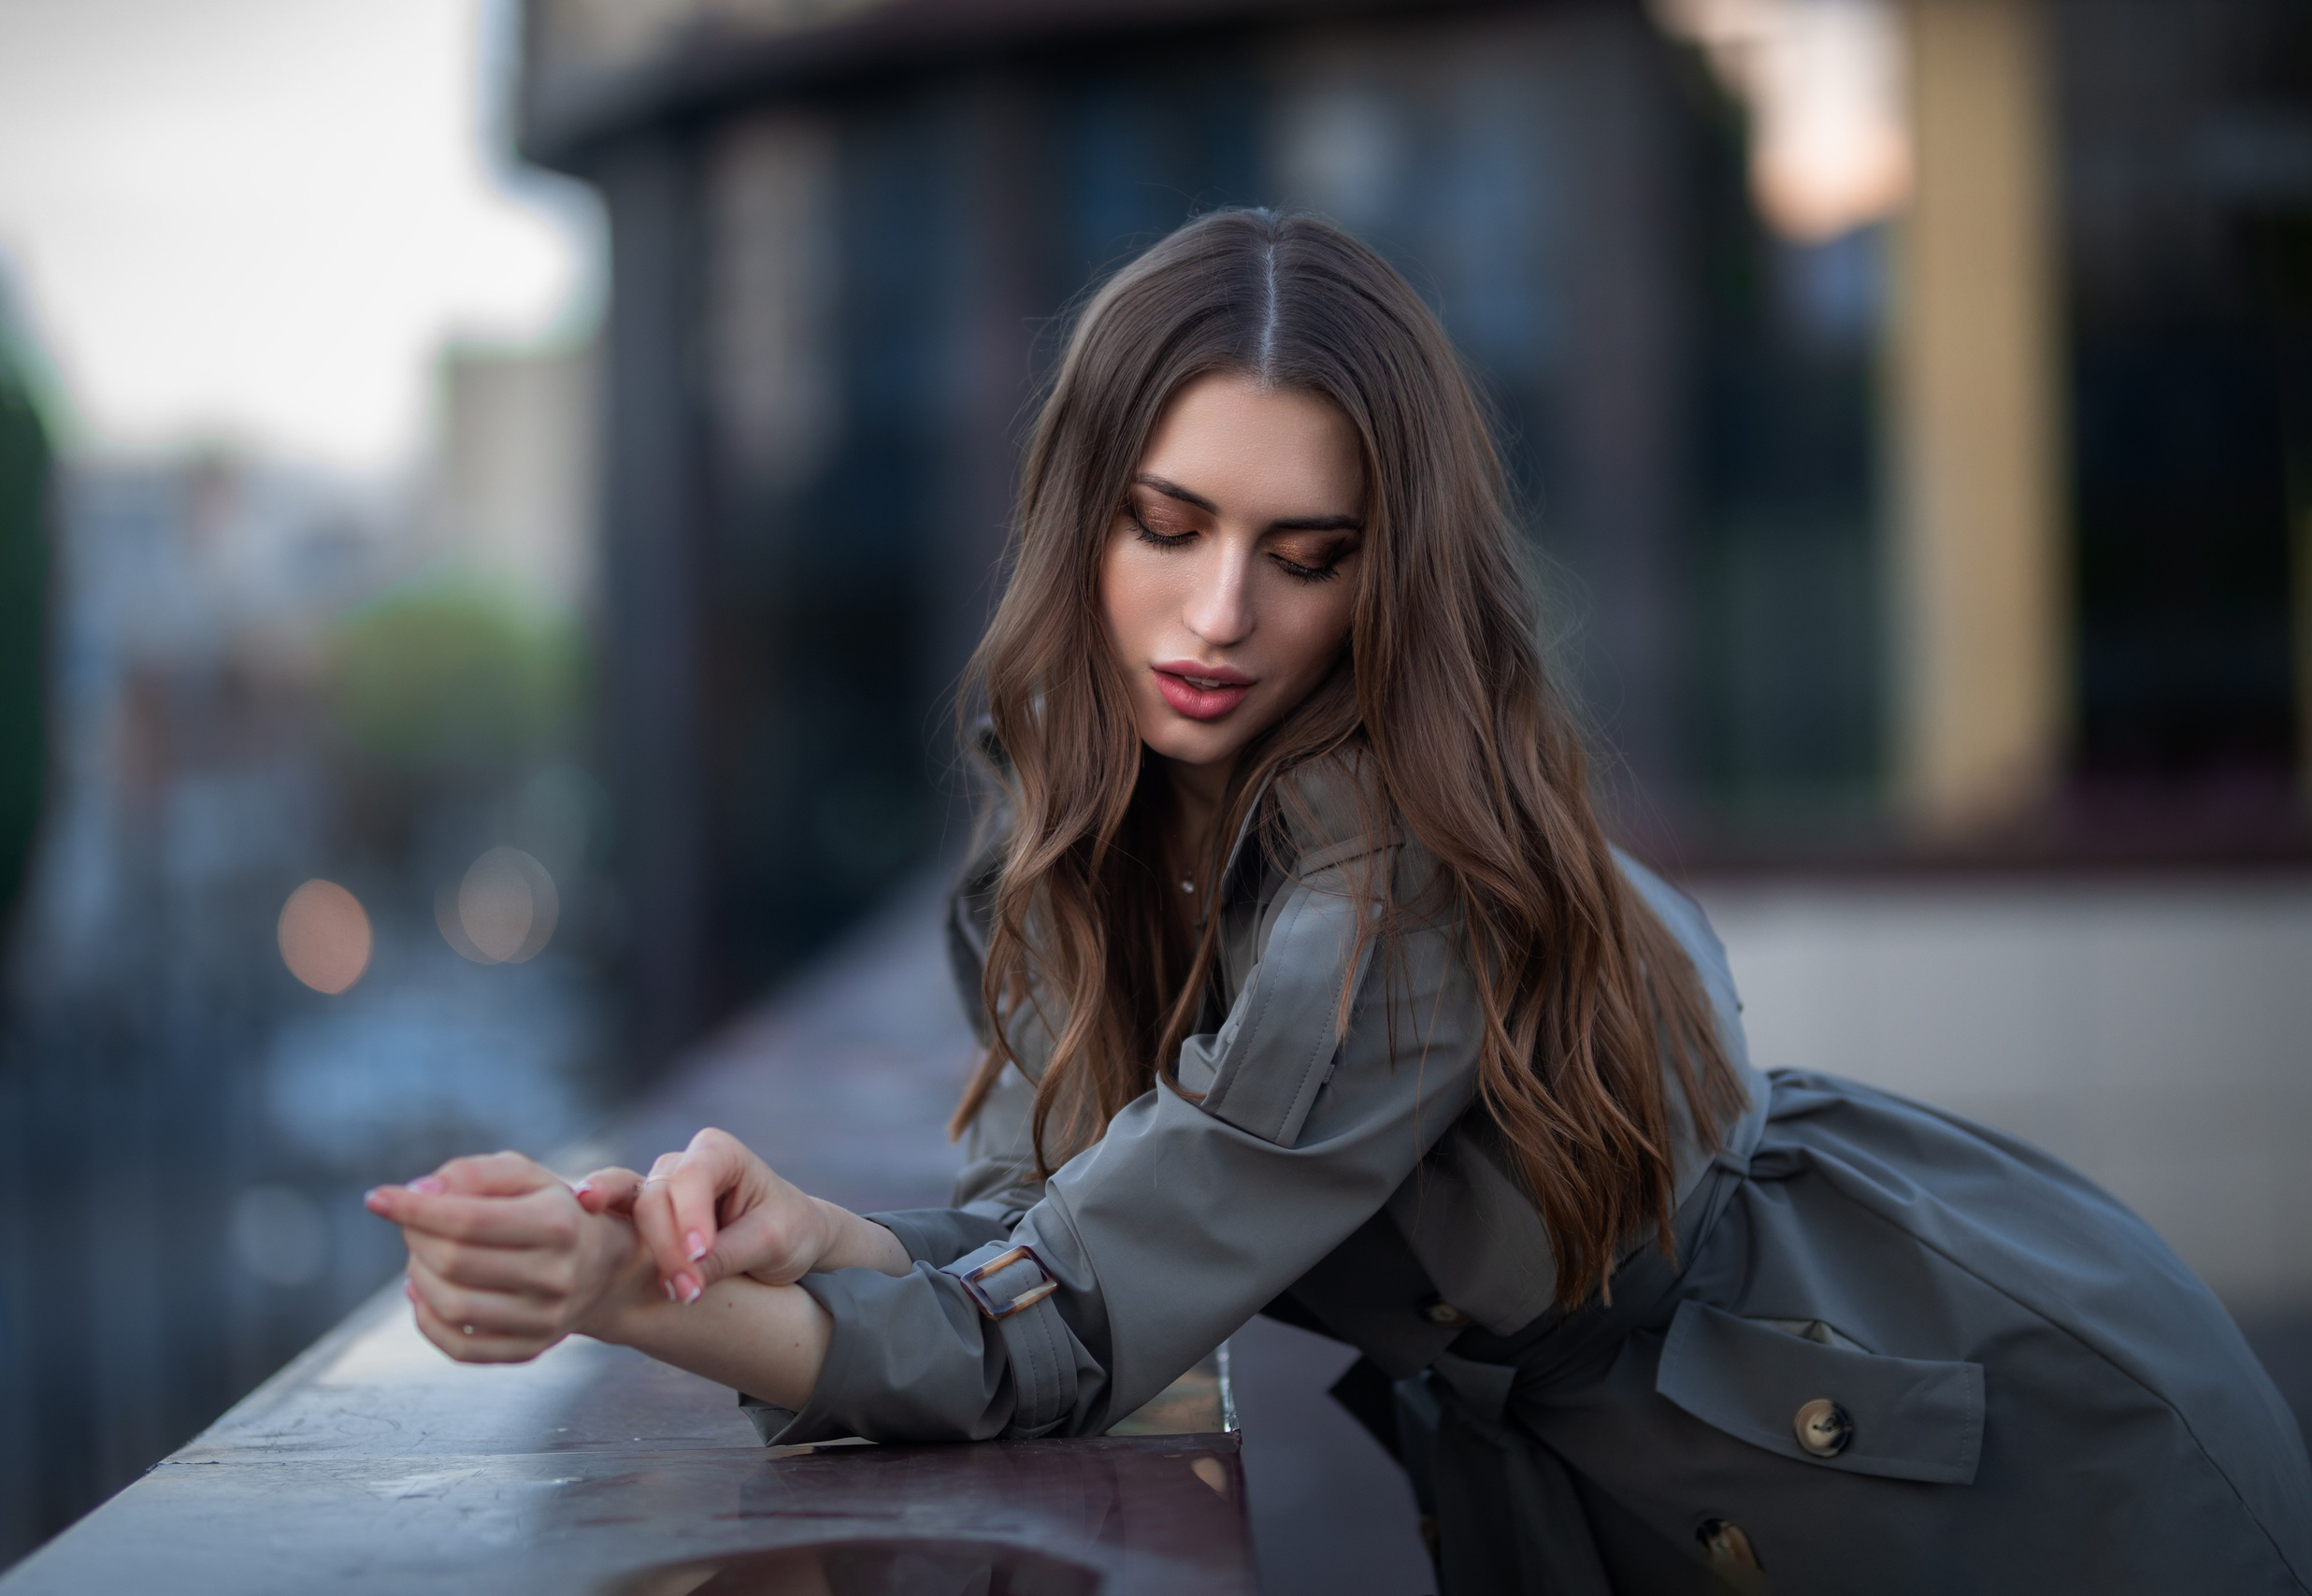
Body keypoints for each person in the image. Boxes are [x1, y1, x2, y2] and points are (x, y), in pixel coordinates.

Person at [366, 209, 2312, 1593]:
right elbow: (1061, 1234)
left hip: (1959, 1443)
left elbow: (1053, 1337)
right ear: (1080, 512)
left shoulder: (1399, 880)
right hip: (1681, 1469)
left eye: (1305, 552)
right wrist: (811, 1230)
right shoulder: (1093, 812)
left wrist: (638, 1296)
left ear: (1391, 572)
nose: (1221, 616)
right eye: (1169, 525)